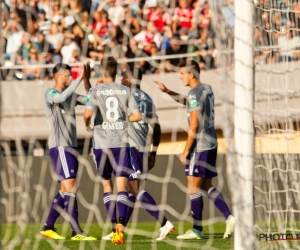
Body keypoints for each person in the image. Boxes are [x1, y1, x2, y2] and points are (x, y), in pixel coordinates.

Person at [154, 60, 235, 240]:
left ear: (192, 74)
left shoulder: (193, 93)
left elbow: (195, 123)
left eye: (182, 73)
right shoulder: (206, 88)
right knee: (206, 185)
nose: (180, 76)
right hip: (211, 143)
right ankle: (230, 217)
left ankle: (197, 229)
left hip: (199, 146)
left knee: (193, 187)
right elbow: (189, 102)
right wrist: (168, 92)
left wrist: (185, 151)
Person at [101, 66, 175, 241]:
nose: (121, 79)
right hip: (142, 148)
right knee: (128, 189)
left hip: (130, 147)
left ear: (131, 80)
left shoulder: (124, 95)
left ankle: (164, 223)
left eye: (124, 77)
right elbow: (156, 126)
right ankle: (119, 229)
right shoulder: (148, 99)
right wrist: (153, 152)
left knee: (134, 188)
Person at [83, 56, 142, 245]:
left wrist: (87, 124)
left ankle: (113, 224)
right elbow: (137, 116)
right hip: (121, 144)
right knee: (122, 187)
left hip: (101, 145)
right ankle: (121, 227)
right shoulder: (125, 90)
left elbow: (87, 114)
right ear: (116, 72)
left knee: (107, 186)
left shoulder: (94, 90)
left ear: (101, 71)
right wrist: (122, 121)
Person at [40, 63, 97, 241]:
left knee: (65, 190)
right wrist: (79, 78)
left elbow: (91, 101)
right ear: (58, 77)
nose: (71, 77)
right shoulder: (50, 94)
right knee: (71, 187)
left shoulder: (70, 95)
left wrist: (87, 81)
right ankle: (76, 231)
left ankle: (48, 226)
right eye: (67, 75)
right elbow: (61, 97)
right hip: (60, 145)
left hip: (70, 146)